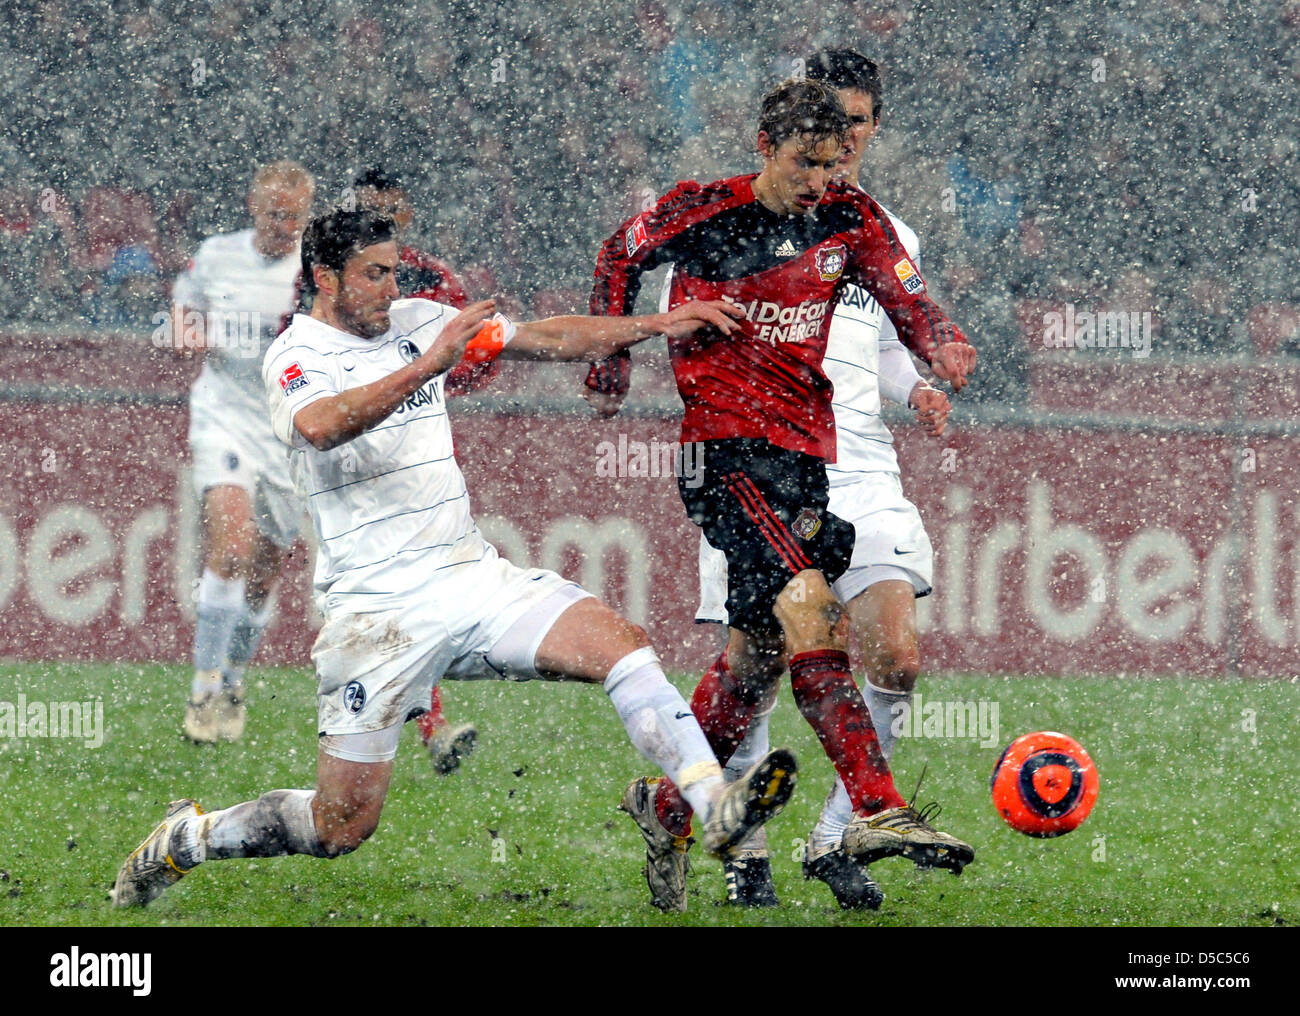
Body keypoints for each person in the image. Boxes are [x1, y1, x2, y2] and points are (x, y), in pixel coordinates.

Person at [112, 208, 797, 908]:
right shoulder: (294, 356)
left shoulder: (418, 318)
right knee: (340, 825)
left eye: (392, 270)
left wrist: (652, 328)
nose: (389, 286)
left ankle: (713, 805)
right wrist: (430, 364)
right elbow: (321, 427)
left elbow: (545, 337)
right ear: (324, 278)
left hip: (472, 578)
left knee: (622, 646)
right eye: (372, 274)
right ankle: (187, 838)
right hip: (375, 614)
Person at [586, 79, 976, 913]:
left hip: (805, 455)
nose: (818, 182)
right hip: (725, 452)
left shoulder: (850, 216)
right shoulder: (700, 210)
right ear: (765, 146)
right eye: (804, 163)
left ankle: (663, 810)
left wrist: (940, 339)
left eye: (833, 164)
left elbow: (907, 299)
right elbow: (619, 253)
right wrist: (612, 358)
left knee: (754, 662)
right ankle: (876, 809)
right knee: (813, 612)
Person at [695, 50, 964, 909]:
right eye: (825, 124)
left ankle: (837, 832)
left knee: (898, 653)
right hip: (764, 462)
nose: (840, 141)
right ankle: (740, 846)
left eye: (855, 123)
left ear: (874, 128)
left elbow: (884, 346)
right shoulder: (726, 221)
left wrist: (916, 385)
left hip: (861, 466)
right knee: (755, 667)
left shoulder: (889, 233)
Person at [171, 160, 315, 744]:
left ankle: (233, 677)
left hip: (285, 427)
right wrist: (186, 333)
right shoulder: (216, 254)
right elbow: (183, 310)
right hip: (223, 415)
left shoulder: (317, 271)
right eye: (275, 214)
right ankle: (204, 691)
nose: (284, 226)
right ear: (254, 208)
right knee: (228, 545)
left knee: (263, 572)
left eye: (295, 217)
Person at [351, 166, 481, 775]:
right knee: (379, 591)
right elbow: (290, 339)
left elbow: (477, 351)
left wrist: (433, 377)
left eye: (390, 209)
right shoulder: (323, 275)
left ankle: (419, 721)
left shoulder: (432, 280)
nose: (382, 218)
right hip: (348, 453)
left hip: (413, 449)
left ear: (406, 213)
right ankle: (394, 715)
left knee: (409, 589)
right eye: (370, 208)